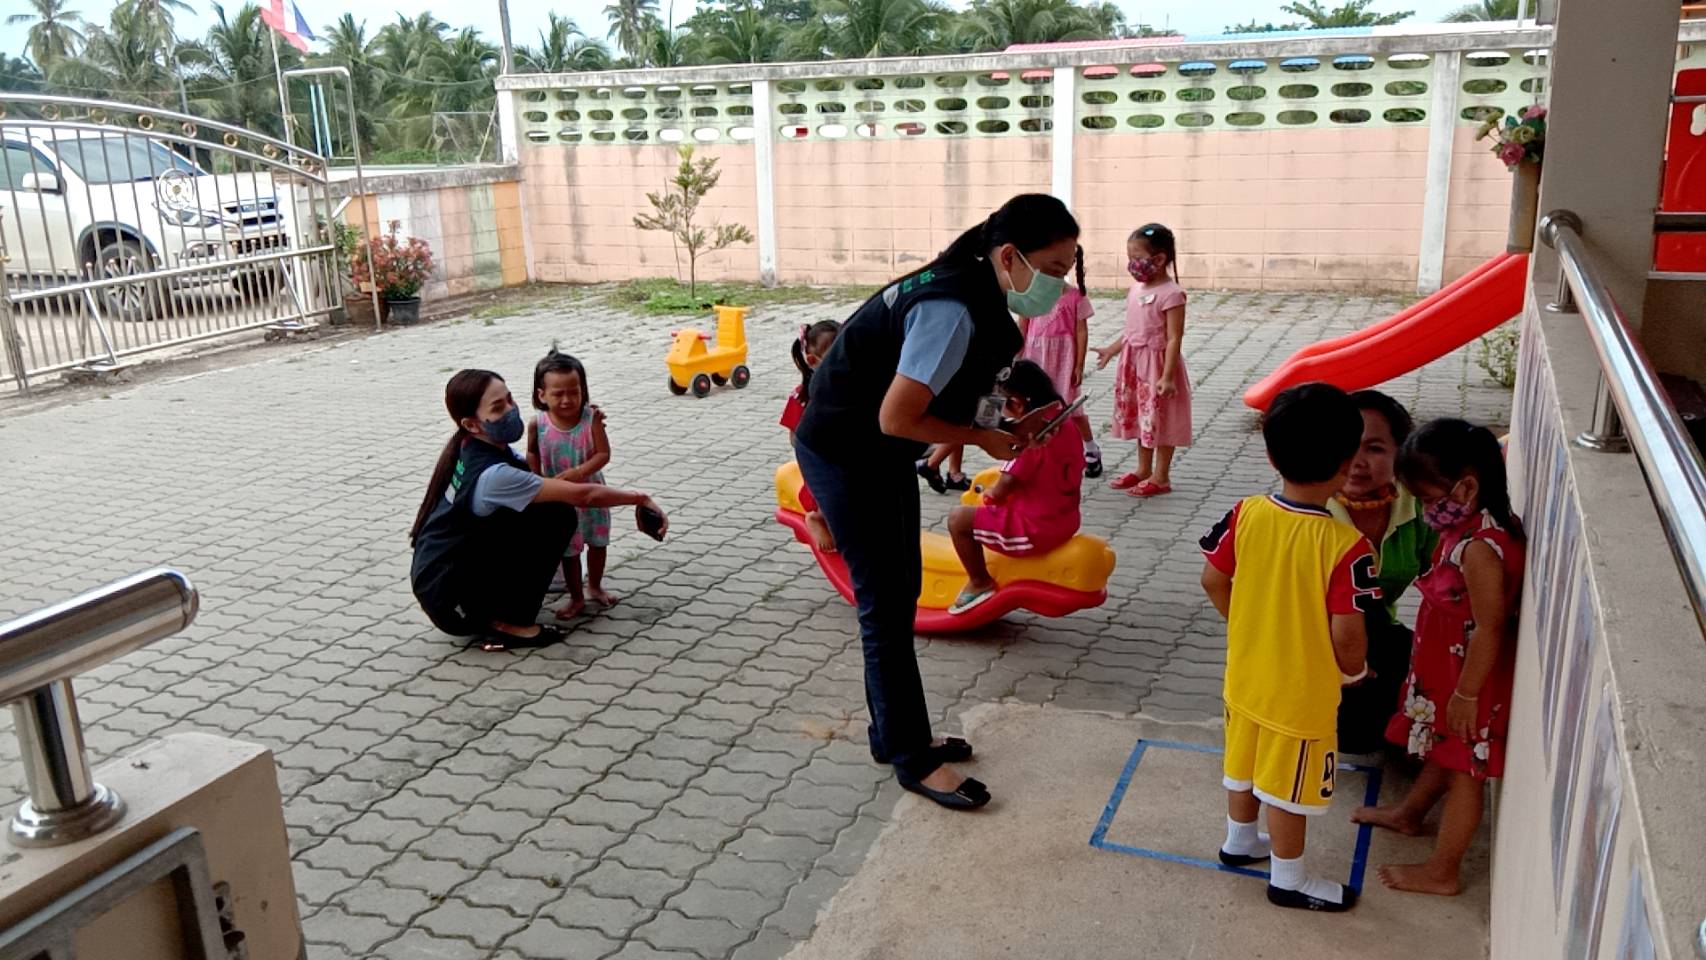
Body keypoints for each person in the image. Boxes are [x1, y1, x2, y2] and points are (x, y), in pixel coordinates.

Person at [793, 193, 1081, 811]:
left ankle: (894, 735)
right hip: (847, 451)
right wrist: (982, 438)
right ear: (1010, 256)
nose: (1058, 287)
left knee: (898, 590)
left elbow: (950, 395)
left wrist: (1006, 428)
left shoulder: (976, 288)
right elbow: (898, 416)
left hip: (874, 449)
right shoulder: (950, 305)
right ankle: (912, 756)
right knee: (887, 602)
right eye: (1053, 271)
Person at [1199, 383, 1381, 912]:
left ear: (1269, 452)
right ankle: (1289, 879)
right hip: (1300, 695)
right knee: (1288, 786)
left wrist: (1251, 627)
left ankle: (1239, 841)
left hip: (1245, 676)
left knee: (1245, 764)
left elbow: (1213, 579)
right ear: (1346, 464)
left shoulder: (1245, 513)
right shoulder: (1345, 547)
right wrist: (1354, 672)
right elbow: (1348, 633)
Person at [1354, 419, 1525, 897]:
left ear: (1467, 487)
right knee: (1445, 752)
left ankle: (1443, 870)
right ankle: (1410, 814)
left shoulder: (1480, 549)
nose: (1427, 510)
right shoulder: (1466, 528)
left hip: (1470, 680)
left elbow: (1490, 627)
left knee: (1466, 773)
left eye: (1430, 499)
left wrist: (1468, 693)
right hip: (1448, 673)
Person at [409, 369, 667, 652]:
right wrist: (640, 498)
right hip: (452, 604)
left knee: (542, 510)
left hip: (441, 582)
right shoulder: (493, 474)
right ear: (471, 424)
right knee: (557, 514)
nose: (511, 409)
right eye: (498, 407)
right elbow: (585, 494)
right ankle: (507, 625)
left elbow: (540, 482)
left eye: (509, 399)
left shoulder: (471, 446)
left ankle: (503, 603)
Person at [1327, 390, 1439, 754]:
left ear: (1400, 454)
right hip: (1312, 641)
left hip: (1374, 633)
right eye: (1347, 445)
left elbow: (1447, 582)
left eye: (1375, 448)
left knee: (1428, 670)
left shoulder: (1420, 507)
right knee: (1355, 736)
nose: (1358, 462)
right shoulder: (1312, 508)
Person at [945, 360, 1083, 614]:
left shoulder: (1033, 439)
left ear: (1018, 404)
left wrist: (988, 497)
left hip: (1035, 529)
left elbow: (1002, 487)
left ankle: (979, 582)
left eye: (1003, 405)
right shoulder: (1066, 425)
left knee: (958, 519)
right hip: (1066, 519)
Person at [1095, 223, 1190, 497]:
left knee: (1162, 418)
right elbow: (1132, 329)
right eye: (1130, 258)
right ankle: (1143, 469)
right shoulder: (1136, 289)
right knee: (1143, 417)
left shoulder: (1171, 294)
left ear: (1159, 260)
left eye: (1136, 258)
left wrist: (1168, 376)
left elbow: (1174, 338)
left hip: (1158, 368)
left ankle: (1161, 477)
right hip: (1134, 364)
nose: (1132, 265)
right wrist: (1113, 349)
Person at [526, 348, 617, 620]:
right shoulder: (537, 424)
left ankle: (595, 586)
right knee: (569, 551)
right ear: (541, 395)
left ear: (583, 390)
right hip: (560, 501)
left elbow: (603, 454)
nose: (567, 399)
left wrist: (580, 472)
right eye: (558, 393)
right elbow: (531, 452)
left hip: (592, 496)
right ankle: (576, 597)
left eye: (574, 392)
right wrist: (536, 479)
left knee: (598, 542)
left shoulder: (591, 419)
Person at [1019, 244, 1101, 479]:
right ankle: (1044, 453)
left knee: (1071, 409)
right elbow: (1023, 324)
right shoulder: (1031, 293)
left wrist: (1079, 364)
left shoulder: (1075, 296)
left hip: (1063, 360)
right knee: (1038, 408)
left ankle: (1091, 449)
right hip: (1037, 357)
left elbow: (1081, 332)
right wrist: (1017, 355)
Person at [782, 320, 842, 552]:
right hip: (819, 460)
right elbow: (794, 436)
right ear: (813, 361)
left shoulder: (846, 389)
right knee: (830, 494)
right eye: (833, 355)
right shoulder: (803, 396)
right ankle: (815, 518)